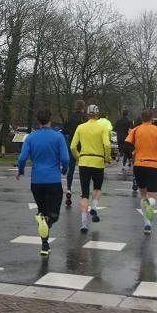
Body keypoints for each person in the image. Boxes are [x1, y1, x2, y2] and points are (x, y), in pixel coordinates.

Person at [17, 109, 69, 256]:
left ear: (38, 121)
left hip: (37, 181)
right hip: (53, 180)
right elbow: (65, 158)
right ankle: (47, 223)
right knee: (53, 215)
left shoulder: (31, 137)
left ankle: (45, 246)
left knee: (42, 212)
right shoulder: (58, 137)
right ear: (50, 120)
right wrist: (64, 169)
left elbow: (22, 158)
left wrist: (21, 171)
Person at [124, 109, 157, 235]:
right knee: (152, 196)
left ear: (141, 117)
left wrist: (131, 156)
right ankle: (149, 206)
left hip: (139, 164)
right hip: (153, 165)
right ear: (152, 118)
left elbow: (126, 146)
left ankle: (147, 225)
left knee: (143, 194)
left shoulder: (136, 130)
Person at [70, 104, 111, 233]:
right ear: (97, 114)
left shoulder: (80, 127)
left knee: (84, 194)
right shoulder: (102, 127)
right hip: (98, 161)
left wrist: (79, 158)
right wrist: (107, 157)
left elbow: (72, 146)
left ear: (87, 114)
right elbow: (107, 144)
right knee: (97, 188)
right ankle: (93, 207)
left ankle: (84, 224)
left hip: (84, 162)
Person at [62, 100, 88, 206]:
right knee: (83, 170)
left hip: (71, 145)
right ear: (83, 107)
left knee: (71, 169)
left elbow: (64, 131)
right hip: (82, 146)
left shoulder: (69, 117)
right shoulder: (85, 118)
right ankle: (83, 192)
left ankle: (69, 189)